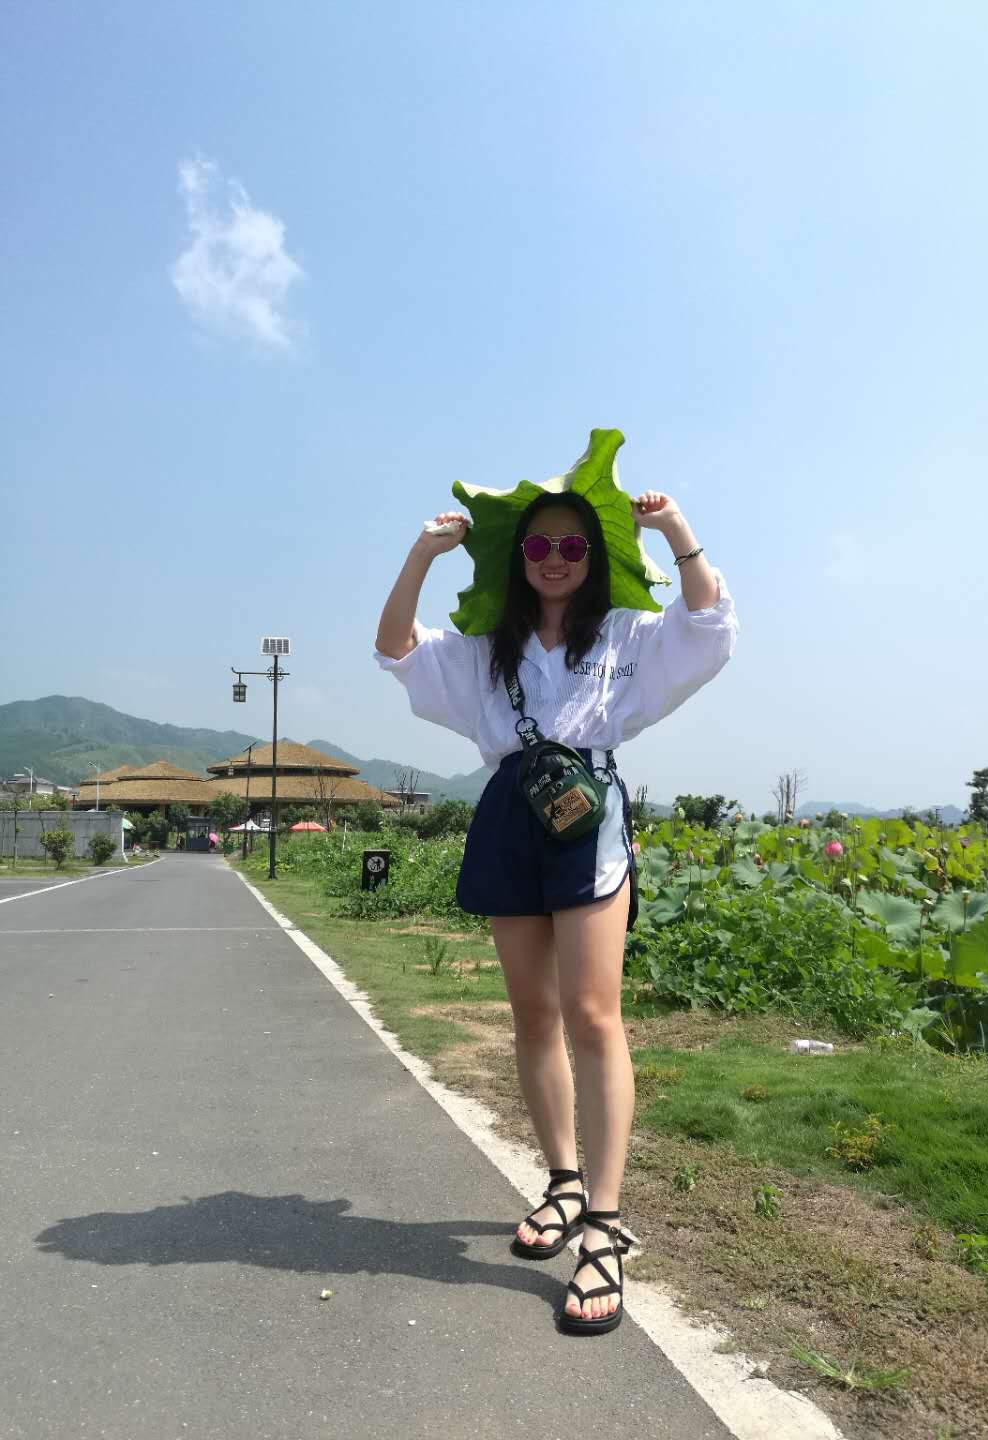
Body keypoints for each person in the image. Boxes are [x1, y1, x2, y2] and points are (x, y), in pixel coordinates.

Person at [374, 486, 738, 1334]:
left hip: (587, 815)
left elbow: (706, 625)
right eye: (538, 546)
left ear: (593, 557)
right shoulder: (484, 653)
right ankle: (564, 1182)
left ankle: (603, 1226)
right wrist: (423, 552)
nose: (554, 560)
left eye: (572, 547)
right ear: (519, 558)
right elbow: (395, 648)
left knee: (593, 1014)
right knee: (533, 1015)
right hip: (511, 813)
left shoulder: (623, 637)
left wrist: (675, 530)